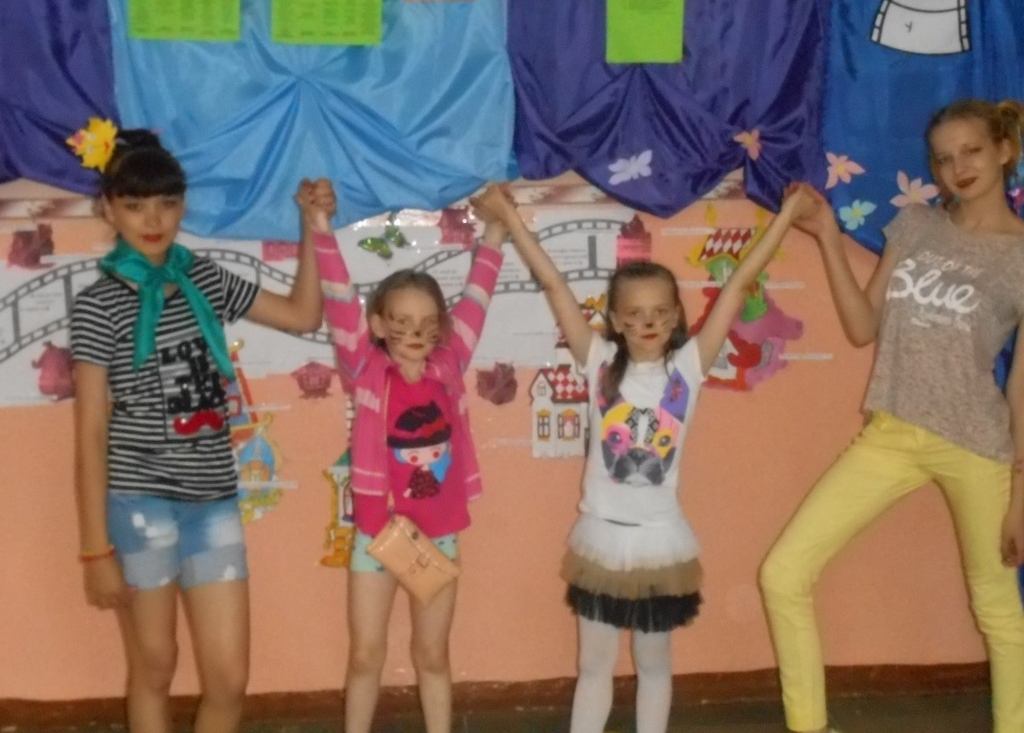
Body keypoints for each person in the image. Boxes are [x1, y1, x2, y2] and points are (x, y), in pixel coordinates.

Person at [469, 183, 815, 733]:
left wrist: (791, 211)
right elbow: (553, 283)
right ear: (615, 318)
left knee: (654, 665)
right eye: (634, 313)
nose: (648, 322)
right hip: (601, 540)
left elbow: (739, 282)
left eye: (659, 312)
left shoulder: (687, 370)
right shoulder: (597, 361)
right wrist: (509, 217)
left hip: (659, 544)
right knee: (593, 666)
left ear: (676, 315)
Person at [759, 99, 1024, 733]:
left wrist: (1020, 492)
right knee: (783, 572)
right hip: (892, 431)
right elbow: (861, 327)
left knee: (996, 609)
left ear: (1004, 151)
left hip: (978, 443)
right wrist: (827, 235)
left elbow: (1021, 383)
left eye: (971, 151)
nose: (957, 167)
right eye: (943, 158)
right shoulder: (916, 226)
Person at [71, 128, 331, 733]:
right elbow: (89, 435)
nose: (153, 219)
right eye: (135, 205)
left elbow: (302, 315)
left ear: (183, 205)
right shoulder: (99, 304)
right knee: (155, 668)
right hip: (139, 506)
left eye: (166, 203)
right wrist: (95, 551)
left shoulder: (203, 279)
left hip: (212, 500)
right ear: (108, 209)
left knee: (229, 679)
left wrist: (312, 227)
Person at [309, 182, 506, 733]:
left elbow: (477, 299)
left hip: (438, 534)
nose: (416, 335)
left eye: (427, 325)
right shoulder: (366, 370)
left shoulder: (449, 363)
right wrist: (321, 229)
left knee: (433, 655)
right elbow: (340, 298)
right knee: (365, 656)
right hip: (378, 536)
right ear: (378, 326)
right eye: (402, 324)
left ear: (440, 328)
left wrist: (495, 232)